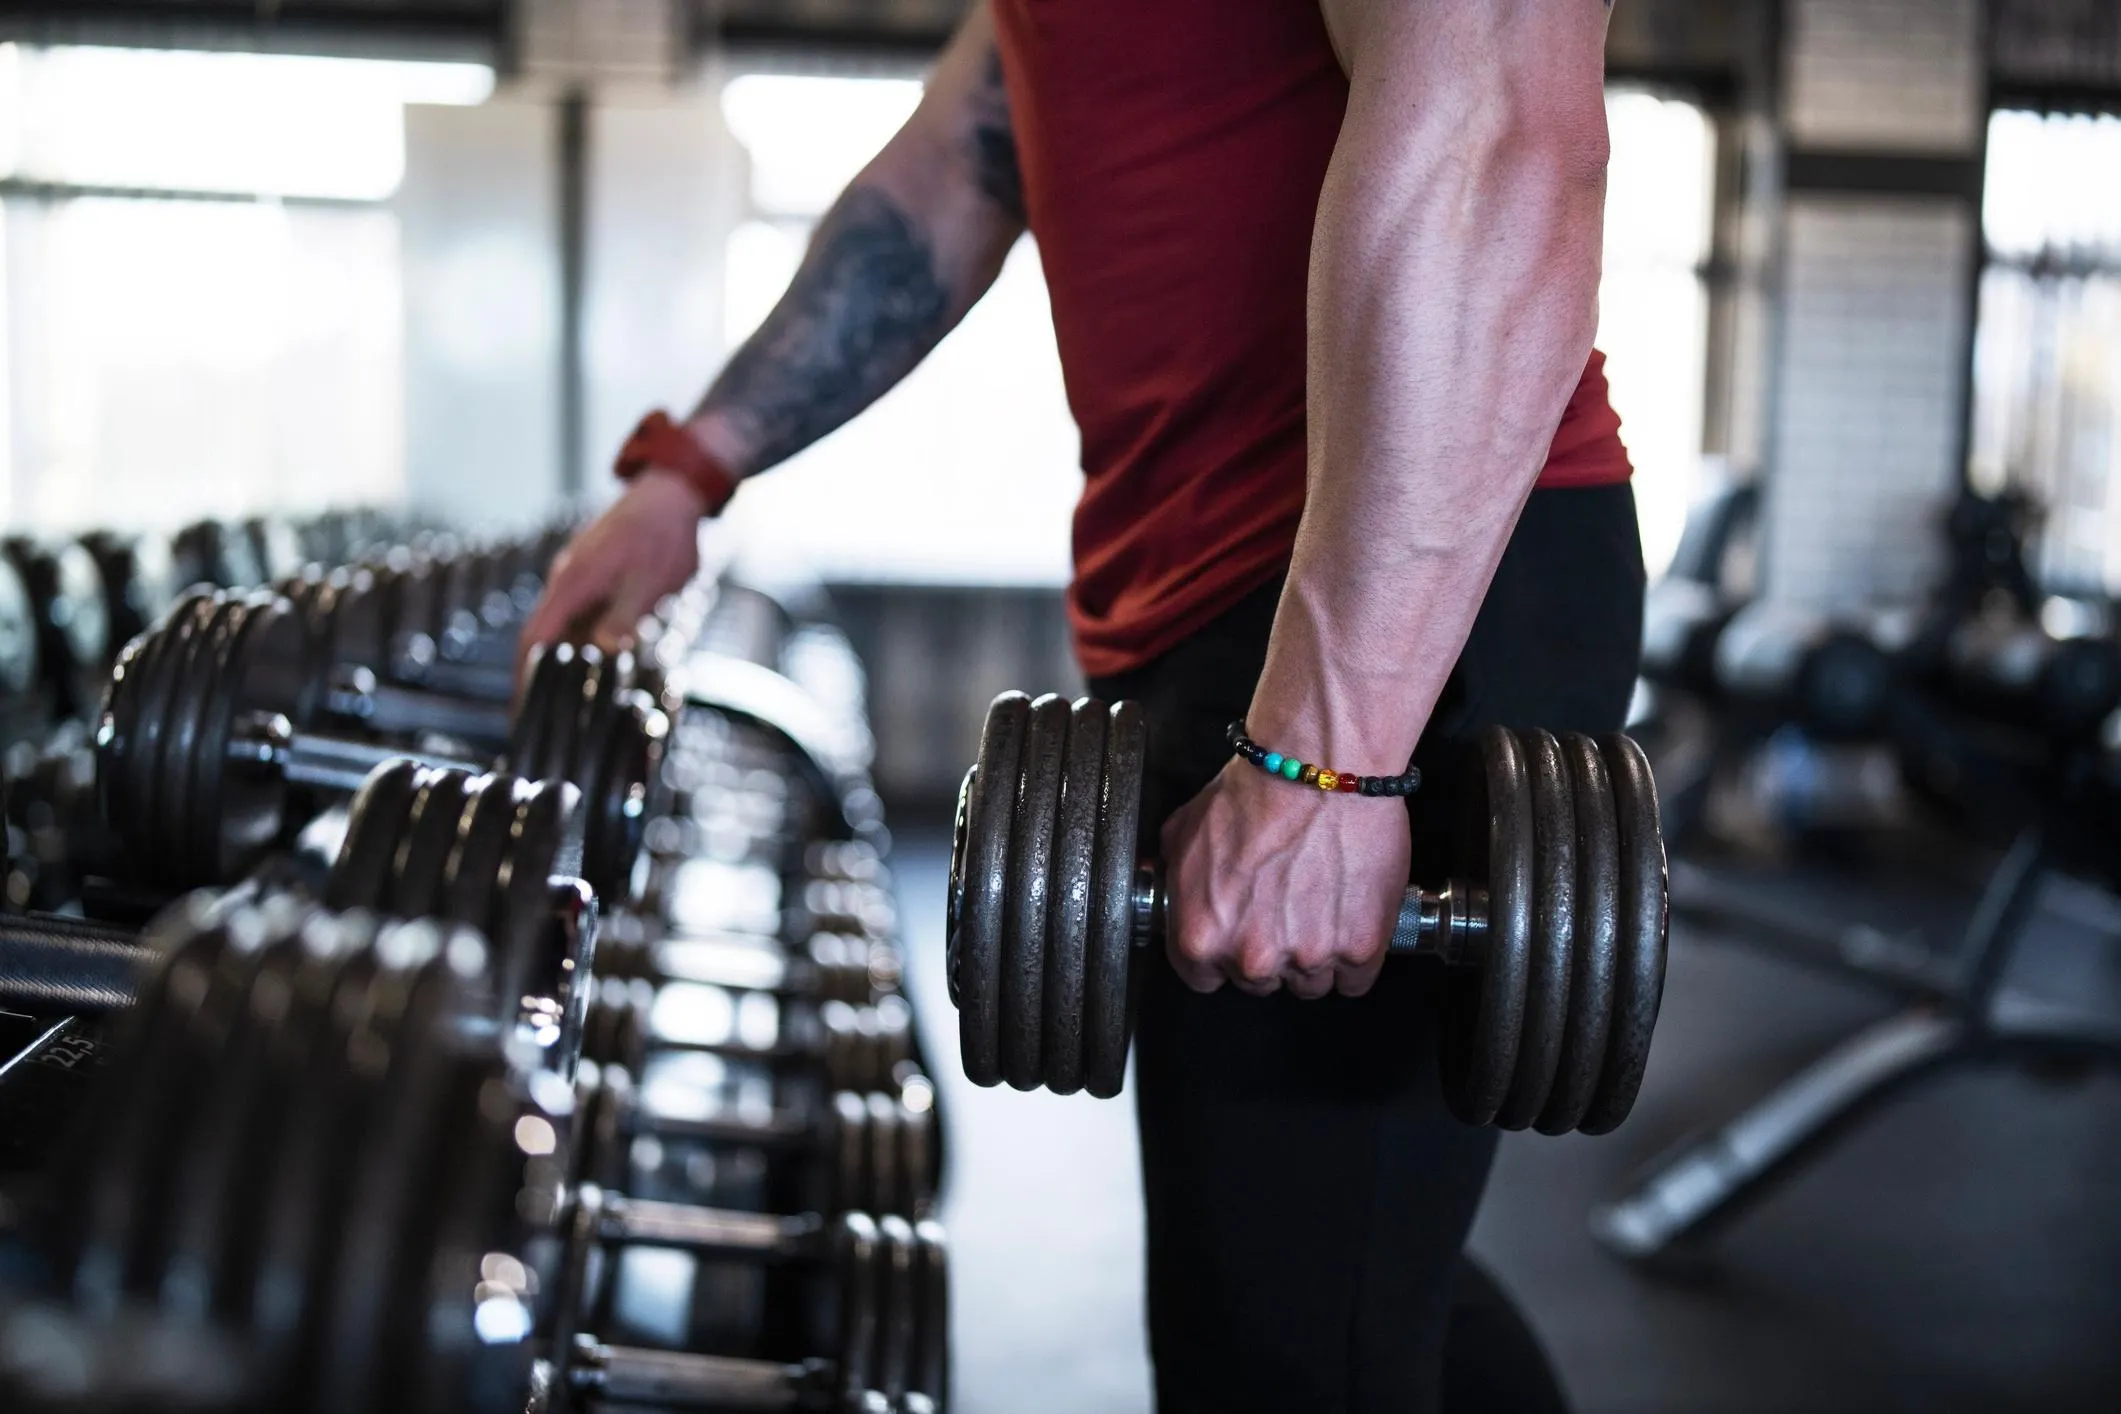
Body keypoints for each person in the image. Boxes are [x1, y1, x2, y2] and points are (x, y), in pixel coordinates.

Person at [523, 1, 1640, 1410]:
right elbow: (963, 165)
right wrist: (691, 468)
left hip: (1401, 589)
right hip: (1228, 617)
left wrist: (1330, 756)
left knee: (1284, 1340)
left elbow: (1499, 135)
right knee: (1329, 1260)